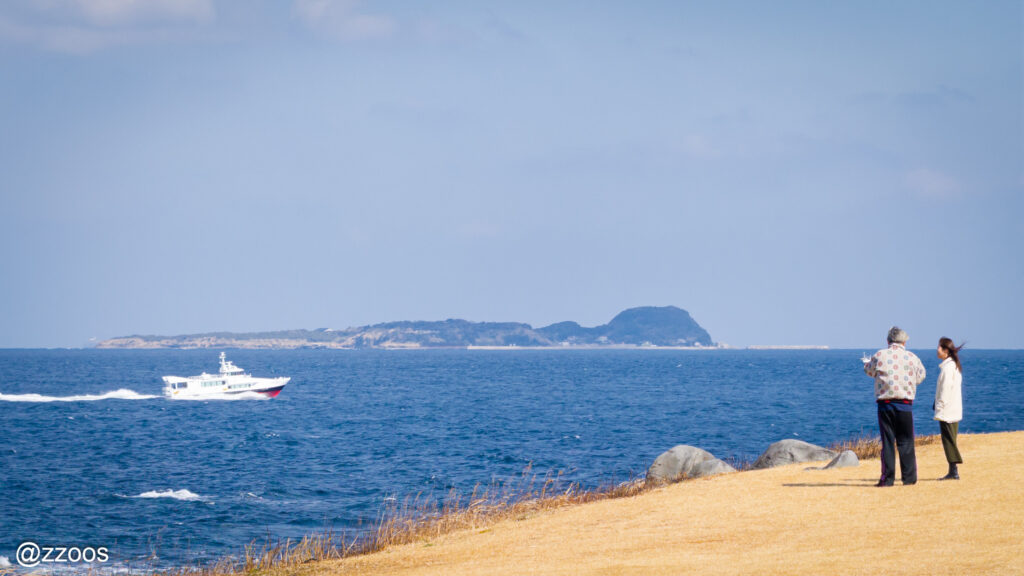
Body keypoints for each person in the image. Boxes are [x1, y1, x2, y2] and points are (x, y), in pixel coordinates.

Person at [864, 326, 927, 487]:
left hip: (885, 404)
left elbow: (869, 371)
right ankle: (909, 478)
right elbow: (921, 376)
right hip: (905, 404)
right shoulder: (912, 357)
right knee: (906, 441)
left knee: (888, 442)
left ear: (888, 341)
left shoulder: (880, 355)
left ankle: (887, 479)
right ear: (904, 341)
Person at [934, 337, 964, 480]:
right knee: (950, 439)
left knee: (948, 440)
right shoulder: (954, 366)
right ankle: (953, 470)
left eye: (939, 348)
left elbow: (945, 391)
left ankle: (954, 471)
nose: (937, 350)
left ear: (946, 351)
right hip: (954, 409)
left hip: (947, 411)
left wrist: (939, 406)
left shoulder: (947, 368)